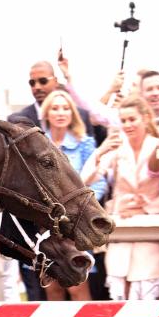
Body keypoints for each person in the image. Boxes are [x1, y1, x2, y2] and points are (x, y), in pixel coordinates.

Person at [81, 95, 159, 300]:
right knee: (122, 292)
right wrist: (100, 152)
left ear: (145, 118)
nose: (127, 125)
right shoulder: (116, 148)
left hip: (151, 229)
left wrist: (146, 209)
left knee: (156, 289)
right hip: (120, 225)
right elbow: (85, 180)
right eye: (123, 120)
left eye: (132, 119)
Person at [39, 90, 102, 301]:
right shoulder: (37, 145)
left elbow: (99, 183)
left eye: (65, 108)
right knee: (52, 288)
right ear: (46, 113)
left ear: (72, 113)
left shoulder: (85, 144)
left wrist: (80, 208)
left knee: (78, 286)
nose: (60, 112)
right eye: (55, 108)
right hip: (44, 225)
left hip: (75, 225)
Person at [9, 61, 97, 141]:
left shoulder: (82, 116)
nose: (37, 87)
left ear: (55, 81)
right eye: (32, 83)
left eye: (43, 81)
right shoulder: (19, 121)